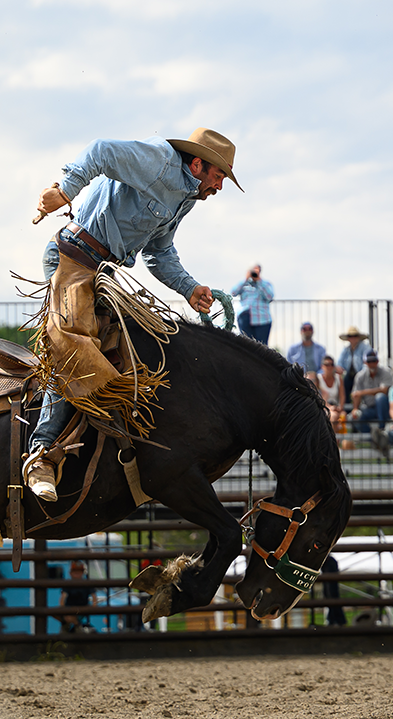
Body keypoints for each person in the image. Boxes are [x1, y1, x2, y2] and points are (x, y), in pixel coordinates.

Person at [23, 128, 237, 502]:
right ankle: (41, 454)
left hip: (102, 274)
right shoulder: (160, 161)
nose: (219, 186)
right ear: (198, 164)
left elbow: (159, 252)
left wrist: (189, 288)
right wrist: (67, 188)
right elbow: (102, 151)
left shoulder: (185, 197)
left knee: (142, 352)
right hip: (71, 261)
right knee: (74, 352)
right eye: (219, 176)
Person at [349, 350, 393, 433]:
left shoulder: (386, 372)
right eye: (369, 361)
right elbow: (355, 395)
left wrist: (362, 392)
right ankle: (375, 436)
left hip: (384, 409)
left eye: (374, 361)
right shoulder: (360, 376)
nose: (372, 364)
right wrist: (355, 409)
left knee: (380, 397)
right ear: (365, 362)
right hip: (368, 408)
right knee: (353, 418)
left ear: (378, 361)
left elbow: (384, 390)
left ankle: (382, 429)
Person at [231, 264, 274, 344]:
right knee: (247, 346)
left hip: (262, 318)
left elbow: (269, 297)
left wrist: (259, 281)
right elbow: (233, 292)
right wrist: (246, 279)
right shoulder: (244, 284)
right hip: (245, 316)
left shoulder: (265, 284)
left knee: (262, 347)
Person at [58, 561, 98, 633]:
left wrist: (93, 607)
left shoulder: (87, 584)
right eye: (75, 571)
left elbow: (94, 597)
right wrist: (63, 608)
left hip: (82, 608)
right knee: (60, 615)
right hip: (70, 608)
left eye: (79, 571)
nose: (77, 573)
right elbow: (63, 598)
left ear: (83, 573)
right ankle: (76, 626)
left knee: (67, 618)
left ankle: (73, 627)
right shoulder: (68, 584)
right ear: (70, 573)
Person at [335, 326, 373, 399]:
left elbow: (367, 363)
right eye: (350, 336)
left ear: (358, 337)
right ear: (348, 338)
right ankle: (345, 403)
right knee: (343, 380)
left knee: (359, 379)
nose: (353, 338)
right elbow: (339, 363)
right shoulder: (346, 350)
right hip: (348, 376)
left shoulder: (365, 347)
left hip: (362, 374)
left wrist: (361, 374)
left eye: (355, 336)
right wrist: (340, 369)